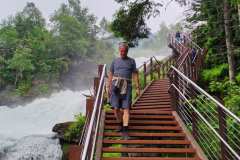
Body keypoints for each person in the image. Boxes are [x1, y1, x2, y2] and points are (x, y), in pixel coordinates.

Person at [108, 42, 140, 136]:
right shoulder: (115, 61)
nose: (123, 53)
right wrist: (108, 86)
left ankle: (125, 129)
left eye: (124, 51)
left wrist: (137, 88)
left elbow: (135, 74)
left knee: (126, 108)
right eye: (121, 51)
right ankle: (120, 124)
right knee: (116, 108)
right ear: (119, 51)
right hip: (115, 85)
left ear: (127, 51)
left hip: (127, 86)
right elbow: (110, 73)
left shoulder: (132, 61)